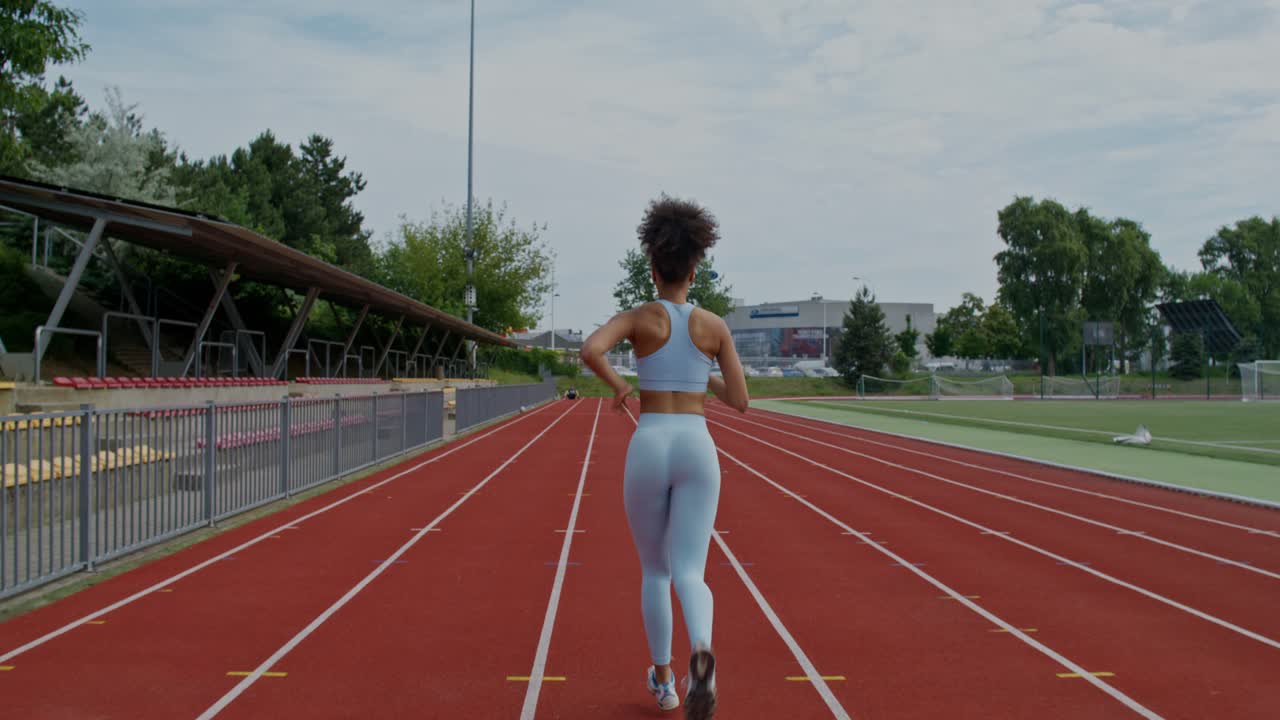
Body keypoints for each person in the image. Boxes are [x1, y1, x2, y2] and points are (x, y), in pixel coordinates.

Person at [580, 196, 749, 719]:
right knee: (691, 571)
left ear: (653, 267)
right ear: (693, 270)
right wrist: (700, 375)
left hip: (650, 440)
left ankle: (665, 682)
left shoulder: (639, 318)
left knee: (656, 570)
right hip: (697, 444)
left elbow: (591, 350)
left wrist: (620, 385)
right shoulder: (714, 326)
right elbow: (741, 401)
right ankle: (703, 651)